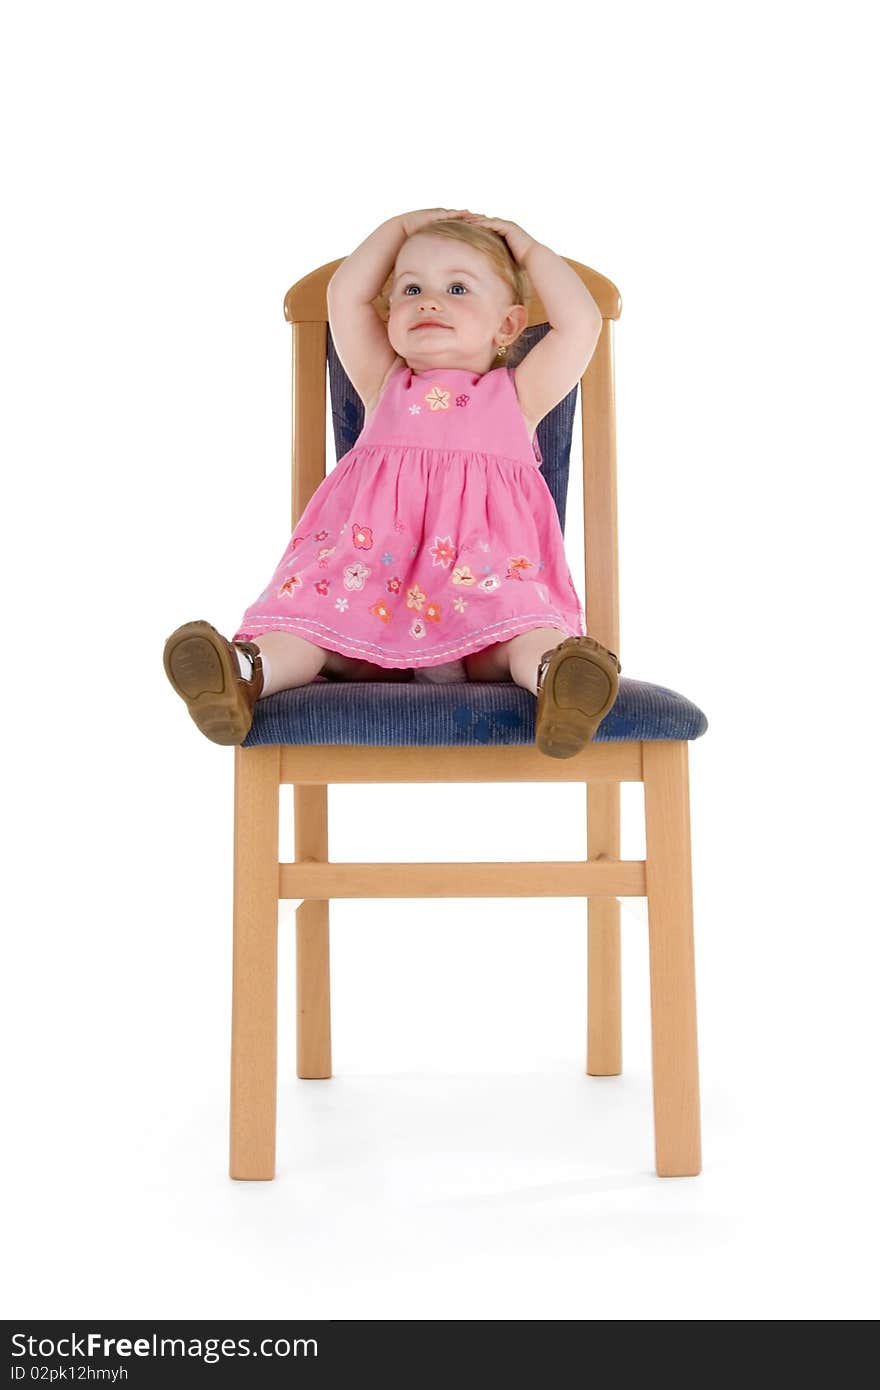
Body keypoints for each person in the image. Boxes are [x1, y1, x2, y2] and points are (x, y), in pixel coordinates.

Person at [163, 207, 621, 758]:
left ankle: (559, 681)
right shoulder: (383, 384)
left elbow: (581, 323)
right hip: (365, 602)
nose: (429, 300)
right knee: (304, 633)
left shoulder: (518, 398)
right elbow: (345, 296)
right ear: (389, 318)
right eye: (410, 288)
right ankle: (240, 674)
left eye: (457, 287)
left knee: (525, 635)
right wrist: (400, 227)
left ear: (508, 325)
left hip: (481, 599)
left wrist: (526, 247)